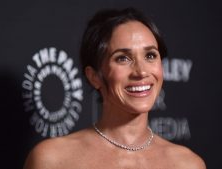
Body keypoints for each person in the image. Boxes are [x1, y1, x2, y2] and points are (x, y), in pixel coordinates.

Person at [24, 7, 206, 169]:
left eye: (150, 55)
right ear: (94, 76)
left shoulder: (188, 164)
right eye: (123, 58)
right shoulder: (51, 160)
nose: (141, 71)